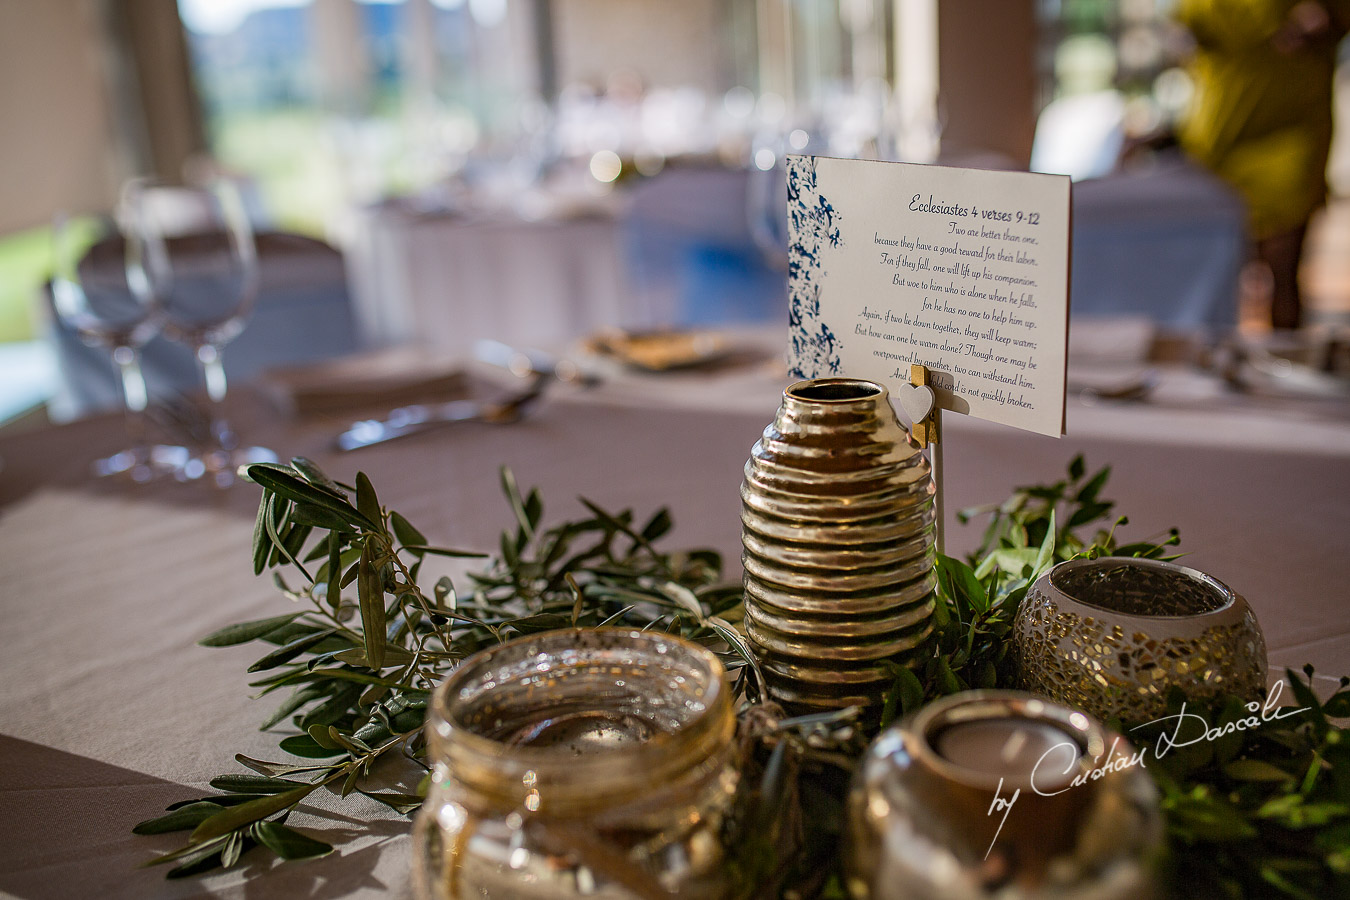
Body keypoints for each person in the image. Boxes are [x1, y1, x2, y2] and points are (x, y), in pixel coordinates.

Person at [1175, 0, 1350, 330]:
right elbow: (1185, 29)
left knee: (1284, 261)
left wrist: (1322, 19)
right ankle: (1221, 366)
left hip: (1292, 124)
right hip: (1224, 124)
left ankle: (1287, 364)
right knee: (1215, 269)